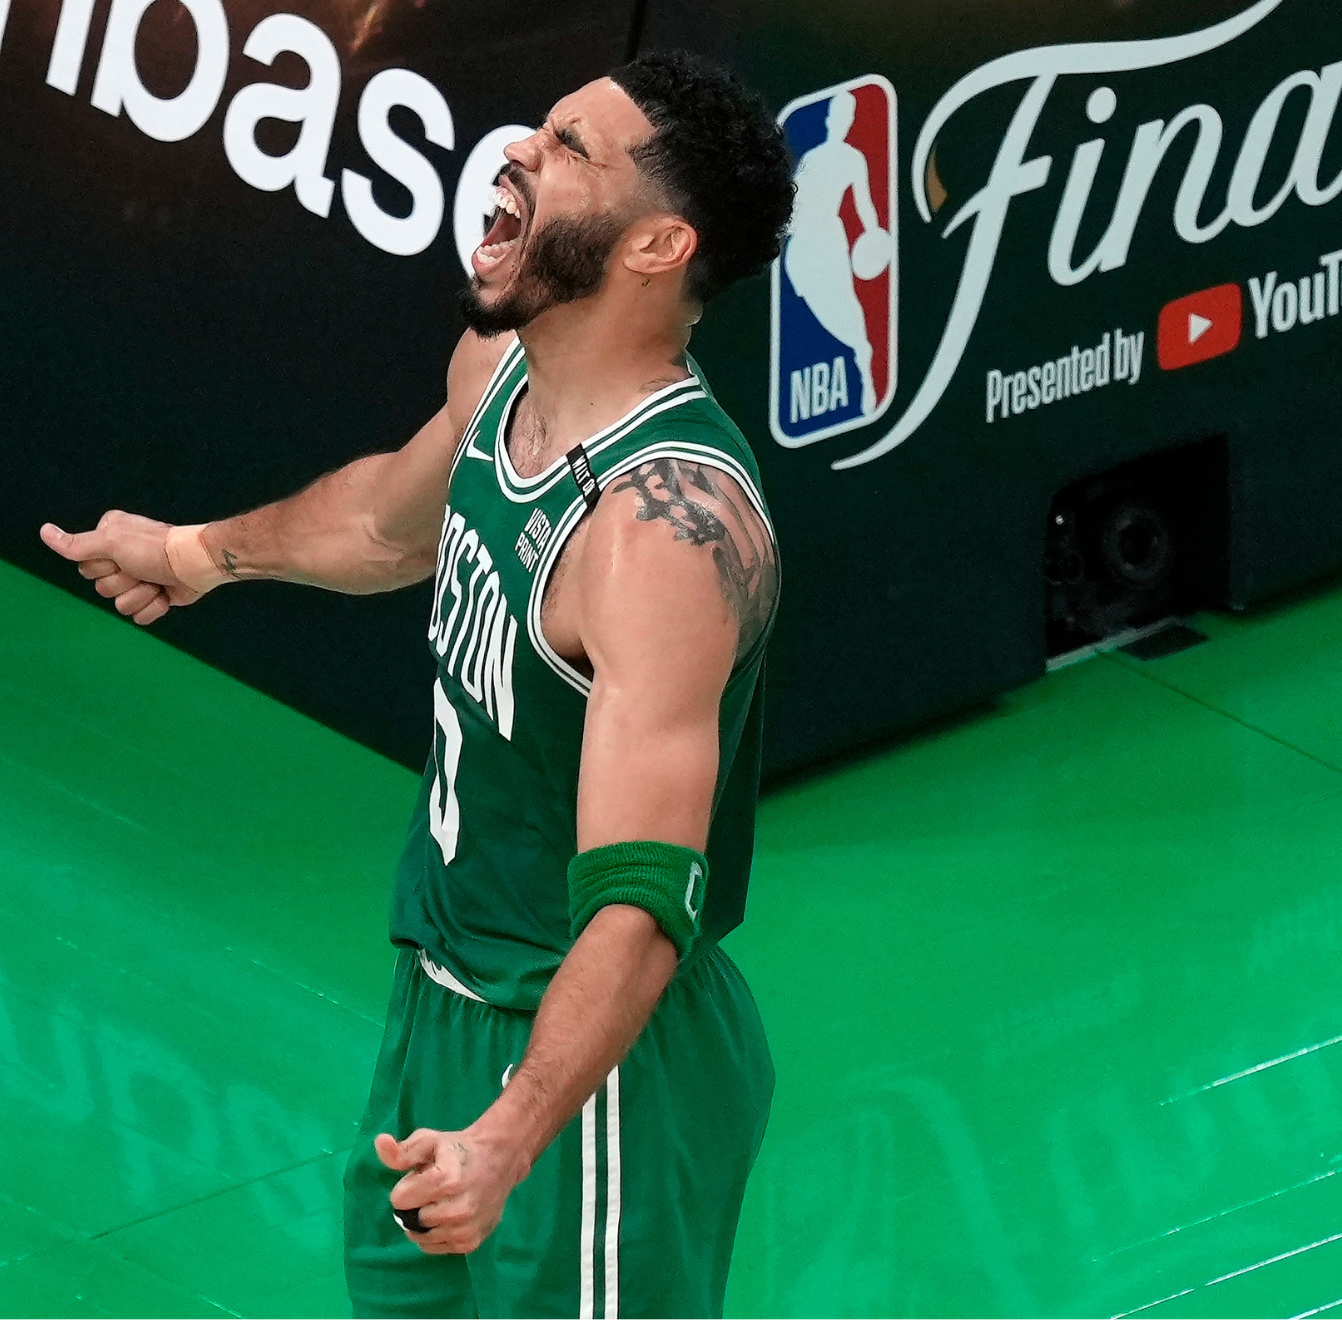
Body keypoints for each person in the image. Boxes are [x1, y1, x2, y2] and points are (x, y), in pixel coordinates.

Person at [40, 50, 795, 1319]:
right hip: (441, 1004)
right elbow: (392, 522)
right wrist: (194, 555)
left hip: (594, 1073)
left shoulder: (662, 531)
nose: (514, 155)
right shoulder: (503, 376)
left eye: (566, 149)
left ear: (658, 244)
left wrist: (509, 1137)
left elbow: (641, 902)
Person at [783, 89, 887, 416]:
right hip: (800, 246)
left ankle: (867, 373)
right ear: (829, 119)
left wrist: (872, 233)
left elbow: (864, 204)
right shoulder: (811, 158)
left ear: (850, 121)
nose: (841, 122)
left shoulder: (852, 158)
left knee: (848, 312)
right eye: (837, 115)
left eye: (847, 116)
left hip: (829, 238)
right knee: (815, 309)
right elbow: (793, 204)